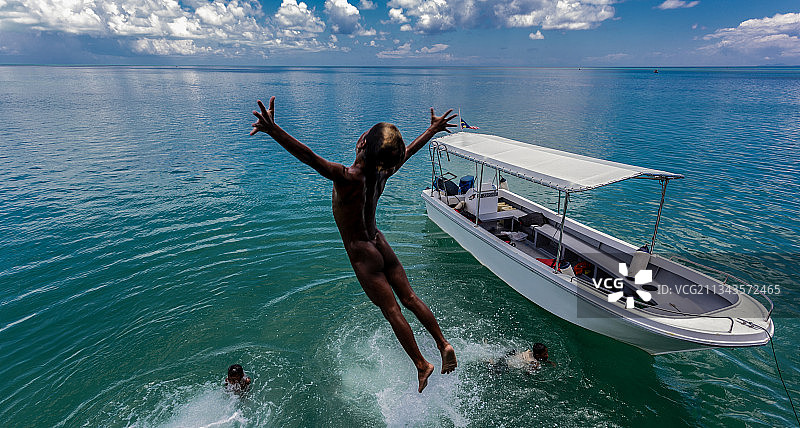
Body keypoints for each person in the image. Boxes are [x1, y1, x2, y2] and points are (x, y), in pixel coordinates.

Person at [250, 97, 458, 393]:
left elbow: (308, 157)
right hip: (379, 240)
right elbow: (407, 152)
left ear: (361, 142)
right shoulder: (383, 173)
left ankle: (422, 364)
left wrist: (274, 130)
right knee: (409, 298)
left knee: (391, 310)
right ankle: (443, 343)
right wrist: (432, 130)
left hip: (362, 252)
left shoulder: (347, 177)